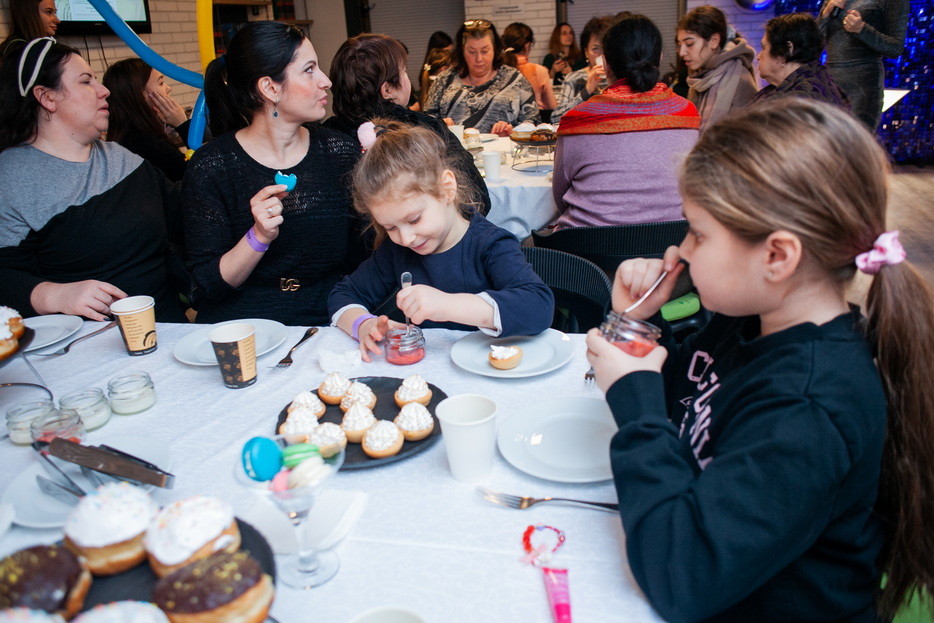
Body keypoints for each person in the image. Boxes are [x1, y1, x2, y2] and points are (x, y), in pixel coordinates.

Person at [585, 98, 934, 621]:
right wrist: (635, 322)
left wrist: (635, 406)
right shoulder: (749, 319)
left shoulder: (810, 406)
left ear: (777, 256)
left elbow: (680, 576)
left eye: (698, 233)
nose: (680, 252)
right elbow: (683, 397)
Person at [328, 121, 554, 361]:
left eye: (414, 219)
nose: (405, 238)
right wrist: (363, 324)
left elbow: (538, 306)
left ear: (447, 188)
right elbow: (343, 294)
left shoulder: (491, 244)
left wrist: (446, 305)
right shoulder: (396, 250)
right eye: (390, 227)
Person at [185, 22, 360, 325]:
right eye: (309, 70)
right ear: (270, 88)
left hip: (329, 318)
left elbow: (365, 255)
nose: (326, 81)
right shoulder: (212, 166)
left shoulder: (339, 152)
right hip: (245, 326)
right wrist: (258, 236)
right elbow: (207, 285)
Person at [0, 39, 186, 321]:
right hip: (86, 337)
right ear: (47, 98)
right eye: (86, 81)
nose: (104, 91)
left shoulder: (120, 157)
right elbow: (5, 275)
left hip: (167, 326)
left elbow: (183, 213)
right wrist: (54, 295)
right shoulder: (12, 179)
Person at [553, 14, 700, 230]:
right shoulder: (687, 113)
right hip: (671, 245)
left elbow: (560, 198)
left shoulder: (577, 121)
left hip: (587, 246)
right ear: (659, 57)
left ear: (605, 62)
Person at [324, 33, 490, 216]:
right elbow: (476, 198)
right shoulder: (424, 129)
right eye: (404, 71)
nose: (407, 78)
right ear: (387, 90)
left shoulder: (325, 137)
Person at [422, 19, 538, 136]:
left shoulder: (515, 80)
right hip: (453, 147)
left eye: (484, 51)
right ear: (462, 51)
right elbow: (425, 124)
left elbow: (533, 124)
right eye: (472, 52)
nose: (479, 59)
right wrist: (440, 125)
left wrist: (512, 132)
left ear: (495, 49)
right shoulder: (444, 80)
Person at [817, 0, 909, 131]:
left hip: (862, 83)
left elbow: (895, 48)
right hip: (830, 81)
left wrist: (861, 29)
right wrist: (824, 15)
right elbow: (813, 44)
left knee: (855, 139)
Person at [103, 58, 198, 182]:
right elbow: (202, 175)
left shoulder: (124, 138)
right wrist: (183, 125)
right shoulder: (151, 146)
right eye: (161, 83)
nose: (168, 88)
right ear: (141, 94)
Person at [677, 5, 758, 130]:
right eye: (679, 45)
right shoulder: (700, 76)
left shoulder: (739, 79)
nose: (682, 52)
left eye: (689, 44)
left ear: (714, 41)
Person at [751, 13, 850, 110]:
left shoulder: (800, 100)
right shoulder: (813, 83)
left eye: (764, 48)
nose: (758, 57)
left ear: (786, 50)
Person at [551, 15, 613, 124]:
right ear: (586, 52)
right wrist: (586, 91)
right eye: (595, 49)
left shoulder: (619, 76)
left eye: (606, 48)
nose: (602, 55)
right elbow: (556, 118)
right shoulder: (574, 78)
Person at [502, 22, 556, 114]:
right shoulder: (539, 71)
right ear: (527, 45)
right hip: (533, 120)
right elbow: (552, 106)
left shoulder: (496, 70)